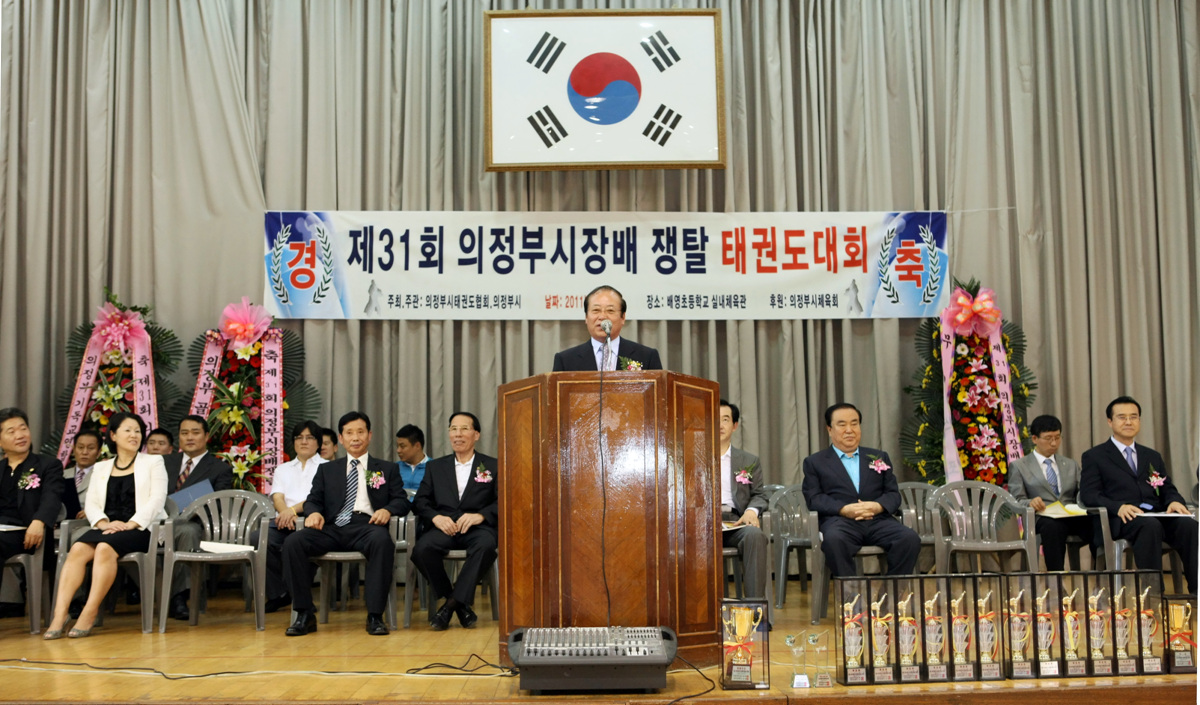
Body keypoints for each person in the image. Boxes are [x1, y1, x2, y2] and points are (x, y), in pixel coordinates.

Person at [282, 411, 409, 636]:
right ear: (341, 438)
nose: (355, 437)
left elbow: (401, 500)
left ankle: (375, 616)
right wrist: (314, 513)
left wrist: (387, 510)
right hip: (331, 527)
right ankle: (304, 613)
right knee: (293, 543)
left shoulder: (385, 468)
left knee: (382, 542)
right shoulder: (327, 469)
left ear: (369, 435)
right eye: (349, 433)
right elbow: (313, 500)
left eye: (360, 432)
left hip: (367, 526)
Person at [44, 411, 167, 638]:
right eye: (127, 430)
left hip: (142, 528)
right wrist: (102, 524)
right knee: (77, 549)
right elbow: (91, 503)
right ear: (113, 435)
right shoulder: (102, 467)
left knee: (104, 548)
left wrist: (131, 524)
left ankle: (89, 612)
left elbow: (157, 499)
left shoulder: (153, 462)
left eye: (138, 431)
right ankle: (59, 615)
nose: (134, 435)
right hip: (108, 527)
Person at [1080, 396, 1198, 593]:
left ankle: (1196, 590)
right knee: (1149, 526)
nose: (1128, 422)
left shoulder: (1151, 456)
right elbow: (1089, 494)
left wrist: (1174, 501)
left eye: (1133, 417)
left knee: (1190, 526)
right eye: (1122, 417)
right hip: (1122, 519)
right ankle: (1154, 594)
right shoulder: (1095, 456)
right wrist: (1118, 507)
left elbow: (1166, 488)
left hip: (1155, 514)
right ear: (1110, 421)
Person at [801, 403, 920, 577]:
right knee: (834, 540)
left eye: (854, 423)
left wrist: (877, 506)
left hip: (878, 520)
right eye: (842, 424)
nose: (849, 430)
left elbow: (893, 494)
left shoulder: (878, 457)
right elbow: (814, 498)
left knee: (909, 539)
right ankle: (851, 592)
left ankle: (892, 592)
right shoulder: (815, 462)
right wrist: (843, 509)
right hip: (839, 522)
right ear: (829, 430)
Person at [412, 411, 499, 630]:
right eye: (453, 429)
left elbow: (504, 501)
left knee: (486, 546)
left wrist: (480, 515)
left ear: (476, 435)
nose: (457, 434)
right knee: (422, 549)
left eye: (464, 429)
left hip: (477, 528)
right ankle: (458, 604)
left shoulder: (493, 465)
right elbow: (420, 501)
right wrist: (436, 517)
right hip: (445, 527)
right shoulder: (435, 467)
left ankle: (449, 606)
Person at [161, 415, 233, 619]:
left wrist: (190, 509)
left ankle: (180, 597)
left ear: (207, 436)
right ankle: (151, 591)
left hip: (194, 524)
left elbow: (219, 505)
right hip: (157, 521)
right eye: (184, 433)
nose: (189, 437)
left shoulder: (220, 468)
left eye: (195, 432)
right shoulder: (164, 462)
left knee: (187, 531)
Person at [1008, 415, 1096, 571]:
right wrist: (1030, 503)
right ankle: (1056, 577)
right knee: (1053, 527)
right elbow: (1016, 499)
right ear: (1034, 439)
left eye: (1057, 437)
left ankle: (1102, 573)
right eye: (1048, 438)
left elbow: (1083, 491)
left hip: (1070, 515)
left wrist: (1081, 502)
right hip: (1042, 516)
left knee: (1098, 522)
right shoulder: (1020, 466)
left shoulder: (1070, 464)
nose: (1054, 443)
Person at [257, 420, 326, 614]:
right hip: (285, 520)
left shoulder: (327, 467)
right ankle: (280, 593)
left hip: (312, 520)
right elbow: (277, 497)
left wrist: (291, 511)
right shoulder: (283, 468)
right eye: (299, 437)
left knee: (296, 543)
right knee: (259, 538)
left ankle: (299, 595)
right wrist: (285, 513)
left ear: (318, 443)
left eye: (309, 437)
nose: (303, 441)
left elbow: (317, 498)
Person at [0, 408, 65, 610]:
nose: (20, 435)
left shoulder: (48, 465)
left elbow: (52, 497)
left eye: (23, 428)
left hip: (29, 534)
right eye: (11, 431)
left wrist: (39, 522)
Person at [717, 400, 770, 600]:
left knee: (754, 535)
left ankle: (755, 609)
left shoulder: (748, 461)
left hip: (735, 522)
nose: (720, 425)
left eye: (725, 419)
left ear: (735, 425)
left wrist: (751, 511)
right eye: (714, 419)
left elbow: (760, 494)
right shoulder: (691, 456)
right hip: (702, 525)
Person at [551, 285, 662, 371]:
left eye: (610, 310)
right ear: (586, 317)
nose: (602, 317)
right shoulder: (566, 361)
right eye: (596, 310)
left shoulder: (647, 357)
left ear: (623, 317)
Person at [61, 427, 103, 521]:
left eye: (91, 448)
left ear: (98, 452)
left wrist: (94, 512)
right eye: (80, 447)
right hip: (62, 525)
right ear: (73, 450)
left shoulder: (103, 475)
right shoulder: (61, 475)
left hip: (89, 524)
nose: (84, 452)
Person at [395, 424, 429, 494]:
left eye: (402, 446)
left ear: (417, 446)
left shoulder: (434, 468)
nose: (398, 450)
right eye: (397, 446)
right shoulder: (394, 468)